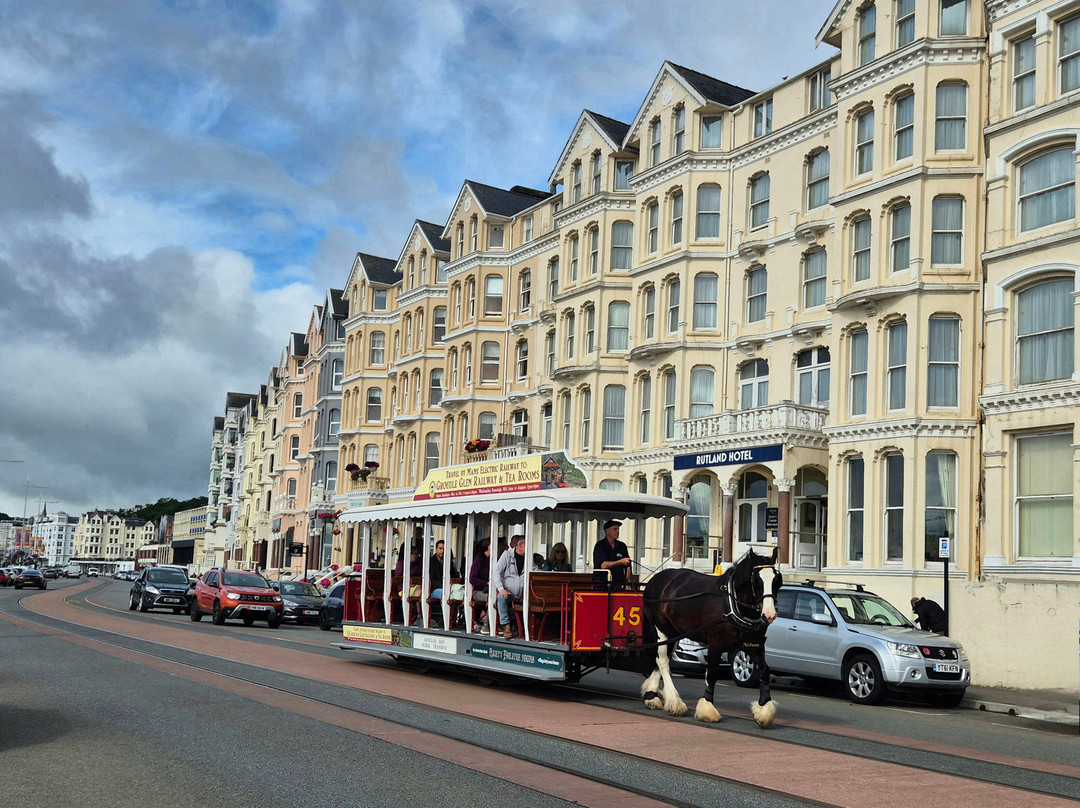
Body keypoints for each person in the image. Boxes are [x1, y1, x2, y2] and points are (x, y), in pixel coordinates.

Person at [493, 534, 527, 638]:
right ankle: (506, 626)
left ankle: (528, 628)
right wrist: (501, 588)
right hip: (509, 593)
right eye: (527, 544)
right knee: (501, 597)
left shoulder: (529, 558)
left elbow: (535, 570)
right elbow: (496, 572)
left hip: (523, 595)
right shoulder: (507, 555)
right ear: (520, 545)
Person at [593, 519, 631, 587]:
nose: (617, 531)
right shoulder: (600, 545)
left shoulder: (622, 546)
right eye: (615, 529)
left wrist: (627, 582)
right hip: (602, 584)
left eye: (618, 529)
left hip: (619, 584)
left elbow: (628, 566)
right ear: (607, 531)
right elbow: (603, 565)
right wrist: (620, 562)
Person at [469, 538, 492, 633]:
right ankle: (486, 626)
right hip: (478, 591)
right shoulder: (479, 560)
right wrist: (486, 583)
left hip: (488, 590)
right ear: (487, 547)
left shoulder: (492, 560)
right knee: (492, 598)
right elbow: (472, 578)